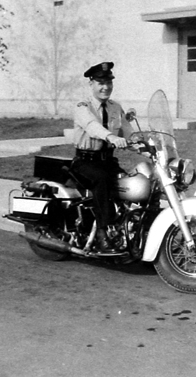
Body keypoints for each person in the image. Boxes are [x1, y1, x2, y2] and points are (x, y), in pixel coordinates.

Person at [71, 61, 134, 252]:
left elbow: (128, 133)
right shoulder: (83, 107)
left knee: (132, 183)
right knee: (103, 179)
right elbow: (92, 126)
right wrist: (111, 136)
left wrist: (145, 145)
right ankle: (102, 232)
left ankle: (128, 226)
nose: (106, 87)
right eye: (100, 83)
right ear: (91, 84)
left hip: (108, 161)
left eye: (109, 82)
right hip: (85, 162)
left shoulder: (116, 107)